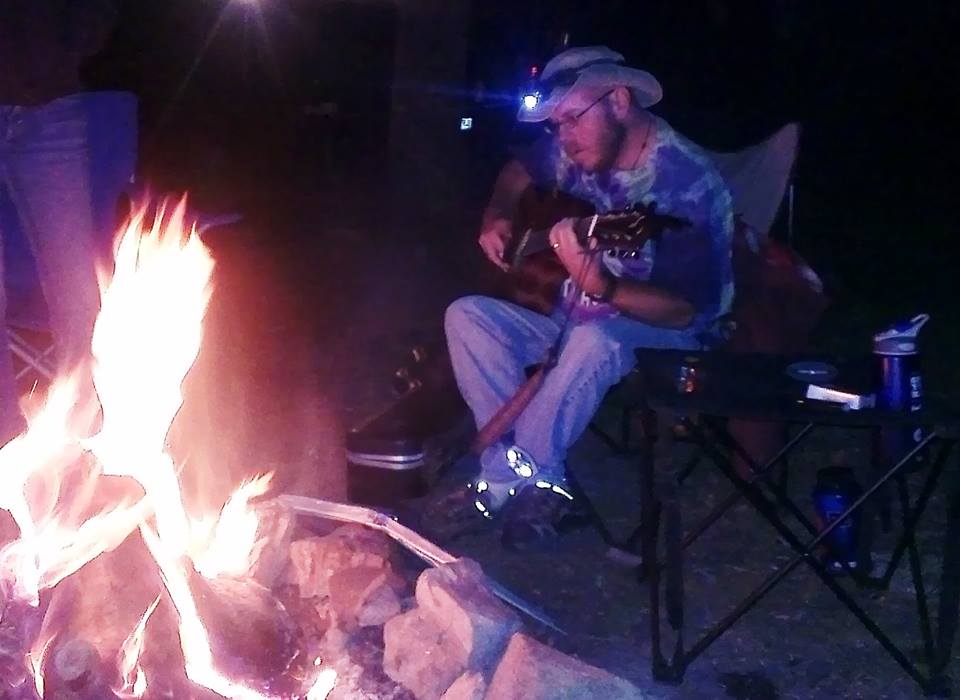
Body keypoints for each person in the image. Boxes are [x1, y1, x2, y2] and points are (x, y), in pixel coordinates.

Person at [442, 46, 735, 548]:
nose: (563, 137)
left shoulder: (685, 183)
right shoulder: (580, 148)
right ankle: (540, 479)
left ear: (619, 101)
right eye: (555, 125)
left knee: (596, 341)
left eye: (571, 120)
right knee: (467, 316)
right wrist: (498, 213)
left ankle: (501, 482)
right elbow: (517, 171)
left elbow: (688, 310)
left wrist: (609, 287)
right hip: (578, 317)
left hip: (672, 336)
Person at [0, 1, 119, 442]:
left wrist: (65, 46)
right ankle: (7, 463)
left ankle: (89, 447)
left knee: (79, 291)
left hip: (49, 104)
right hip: (49, 96)